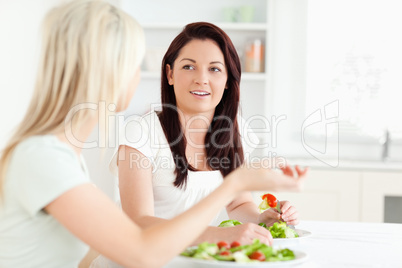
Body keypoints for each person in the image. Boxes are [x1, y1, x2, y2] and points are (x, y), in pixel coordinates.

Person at [0, 1, 307, 268]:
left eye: (215, 69)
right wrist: (235, 186)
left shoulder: (61, 157)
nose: (137, 75)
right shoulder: (43, 158)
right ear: (105, 70)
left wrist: (257, 212)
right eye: (133, 64)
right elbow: (141, 247)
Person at [112, 22, 308, 248]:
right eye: (188, 67)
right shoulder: (141, 132)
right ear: (170, 73)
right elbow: (139, 223)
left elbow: (238, 204)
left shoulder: (236, 130)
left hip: (201, 259)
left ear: (227, 80)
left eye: (214, 69)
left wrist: (264, 218)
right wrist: (216, 235)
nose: (201, 79)